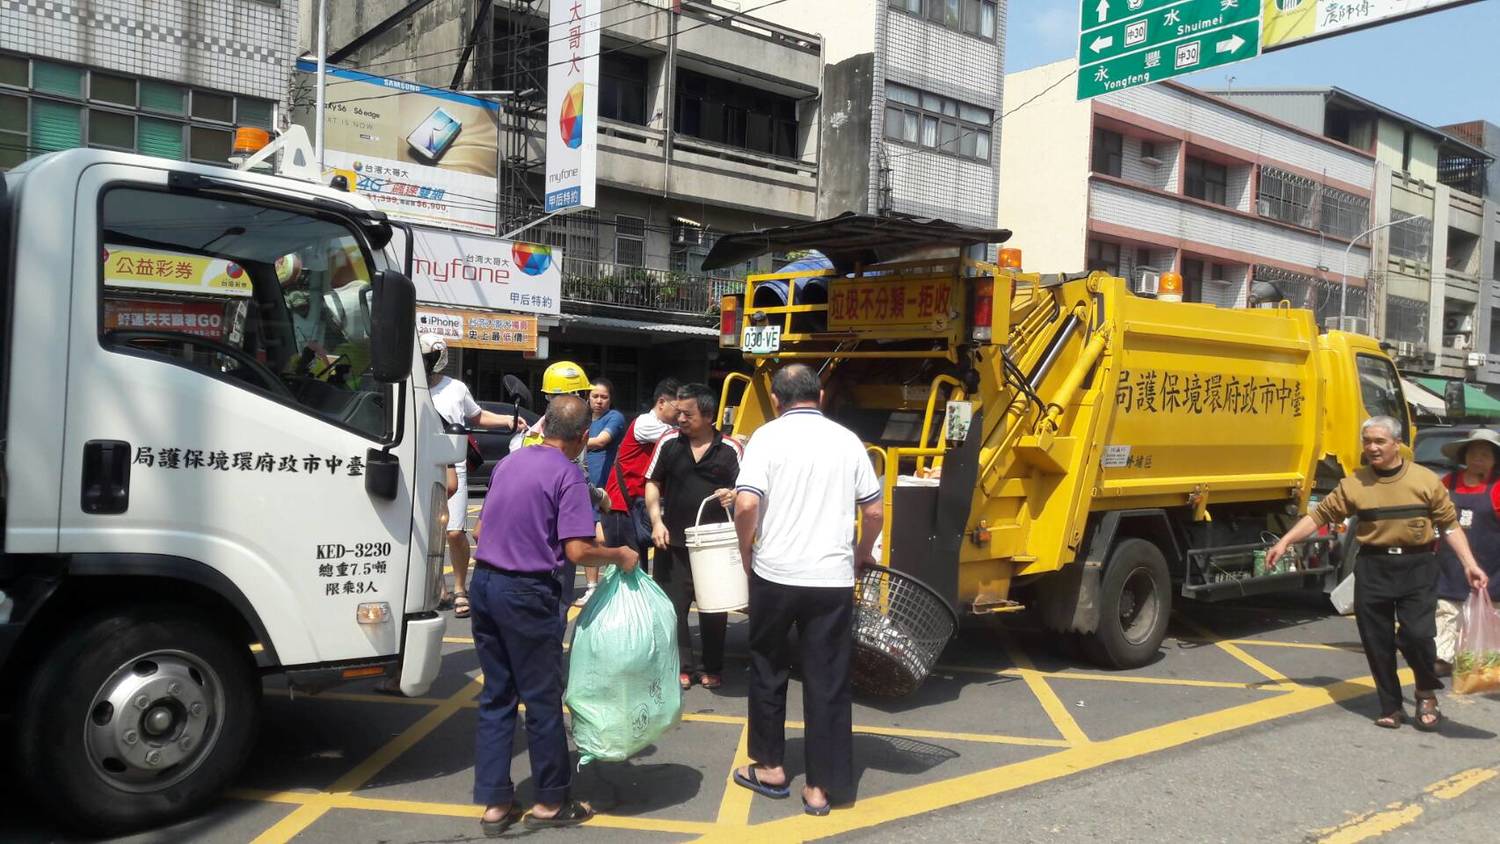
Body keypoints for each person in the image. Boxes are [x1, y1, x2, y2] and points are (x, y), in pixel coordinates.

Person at [469, 395, 640, 835]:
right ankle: (549, 800)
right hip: (527, 593)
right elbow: (579, 550)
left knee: (497, 697)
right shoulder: (568, 475)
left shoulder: (510, 464)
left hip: (485, 584)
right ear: (584, 437)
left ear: (543, 426)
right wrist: (619, 553)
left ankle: (494, 803)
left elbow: (478, 528)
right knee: (543, 700)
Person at [1268, 415, 1488, 731]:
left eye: (1379, 441)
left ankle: (1426, 692)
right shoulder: (1354, 484)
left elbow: (1449, 526)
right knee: (1376, 640)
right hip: (1373, 567)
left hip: (1418, 566)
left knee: (1417, 635)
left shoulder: (1425, 481)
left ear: (1397, 444)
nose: (1372, 447)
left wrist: (1469, 563)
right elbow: (1320, 515)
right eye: (1367, 441)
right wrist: (1286, 540)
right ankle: (1391, 706)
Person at [730, 364, 883, 816]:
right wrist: (861, 552)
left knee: (768, 666)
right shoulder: (847, 440)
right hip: (830, 578)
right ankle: (821, 788)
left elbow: (746, 502)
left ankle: (772, 767)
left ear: (776, 399)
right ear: (819, 394)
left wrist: (745, 551)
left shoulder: (767, 437)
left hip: (775, 573)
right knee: (829, 679)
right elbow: (873, 511)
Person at [421, 334, 526, 619]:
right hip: (418, 461)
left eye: (428, 357)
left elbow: (476, 417)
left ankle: (459, 589)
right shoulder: (410, 385)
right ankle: (436, 587)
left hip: (454, 462)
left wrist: (507, 420)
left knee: (454, 531)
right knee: (423, 530)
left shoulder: (456, 388)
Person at [645, 383, 742, 690]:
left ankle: (712, 666)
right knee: (674, 607)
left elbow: (749, 490)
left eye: (688, 413)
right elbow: (652, 483)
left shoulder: (730, 449)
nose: (680, 418)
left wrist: (734, 494)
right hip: (671, 541)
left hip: (714, 546)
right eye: (678, 412)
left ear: (709, 415)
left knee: (714, 606)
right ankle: (682, 666)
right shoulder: (669, 442)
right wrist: (656, 521)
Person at [1433, 429, 1500, 676]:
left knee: (1488, 612)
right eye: (1474, 453)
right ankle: (1443, 657)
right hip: (1450, 562)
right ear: (1464, 455)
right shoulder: (1447, 482)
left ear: (1495, 459)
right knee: (1446, 609)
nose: (1478, 459)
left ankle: (1481, 659)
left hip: (1491, 564)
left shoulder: (1497, 487)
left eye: (1485, 454)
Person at [602, 378, 682, 569]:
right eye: (678, 409)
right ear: (661, 402)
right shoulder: (645, 423)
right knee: (627, 568)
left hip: (635, 506)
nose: (680, 415)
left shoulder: (664, 427)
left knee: (637, 568)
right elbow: (678, 440)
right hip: (622, 507)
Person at [576, 379, 626, 606]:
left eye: (603, 396)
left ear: (610, 399)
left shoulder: (614, 418)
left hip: (606, 491)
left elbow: (602, 441)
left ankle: (613, 586)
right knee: (587, 538)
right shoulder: (581, 418)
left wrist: (572, 442)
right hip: (582, 489)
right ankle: (592, 588)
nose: (598, 400)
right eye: (594, 396)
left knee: (605, 539)